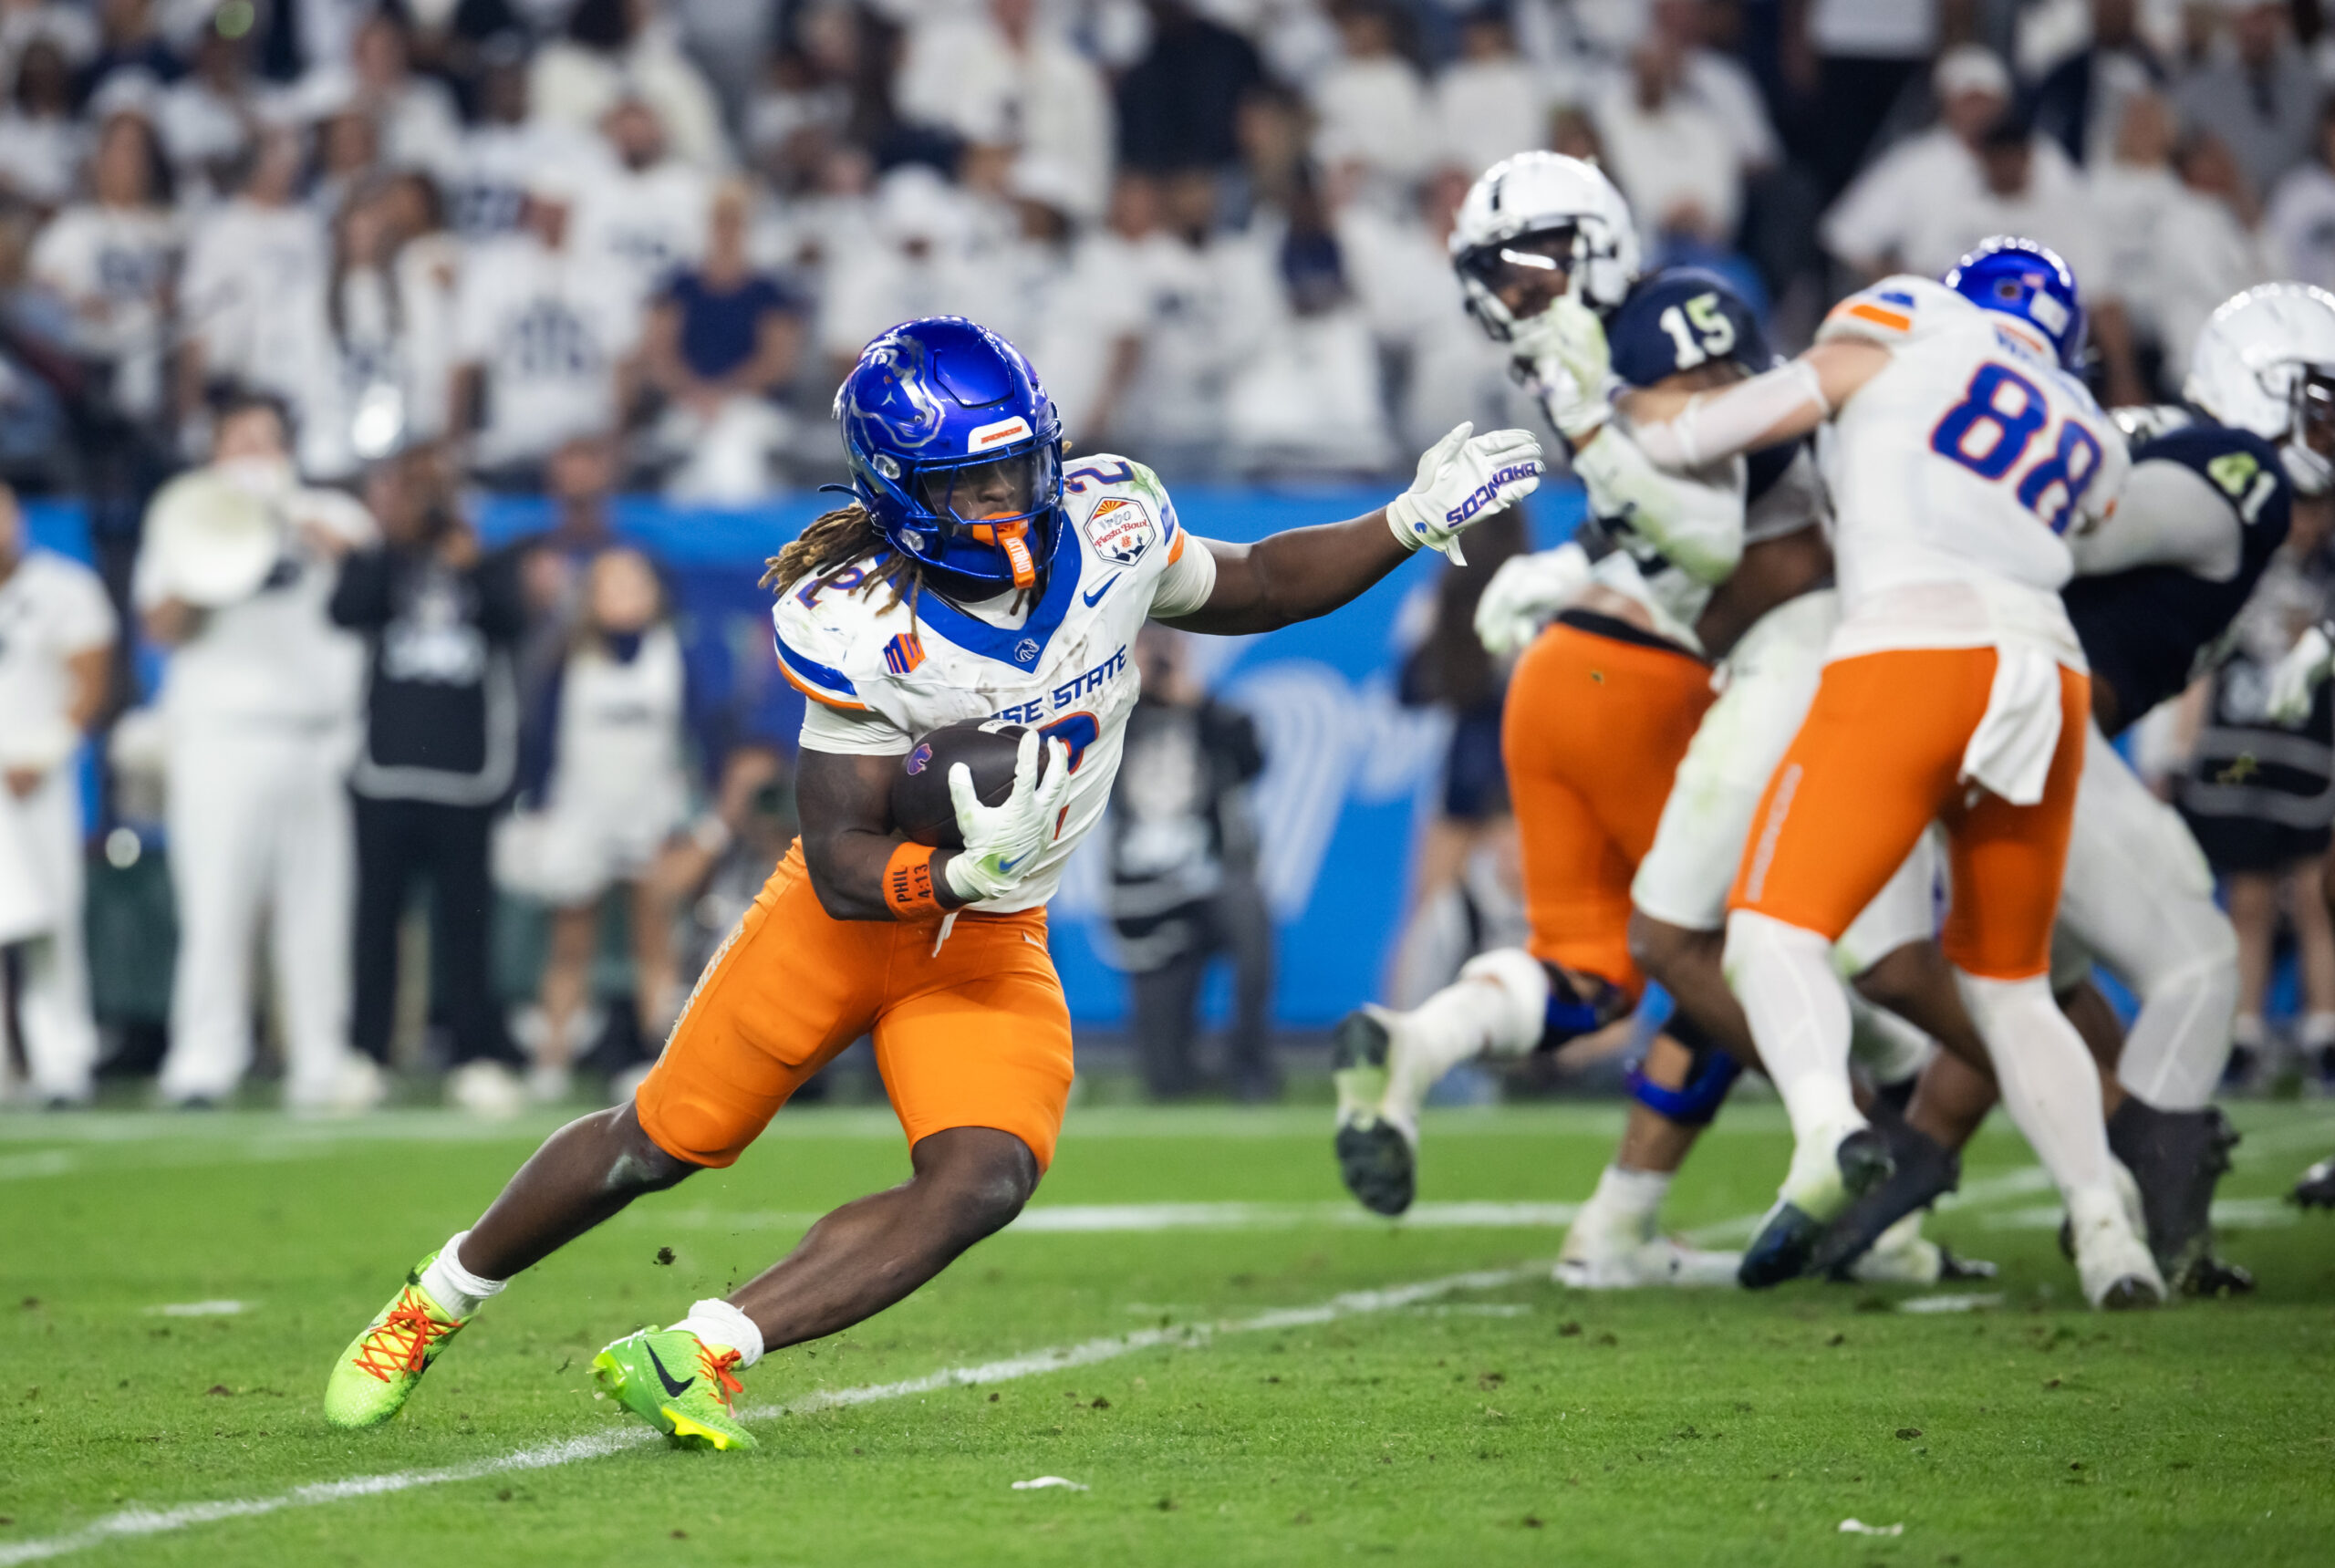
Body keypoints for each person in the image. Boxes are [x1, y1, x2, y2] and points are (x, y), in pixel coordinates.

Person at [321, 315, 1541, 1449]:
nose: (1004, 494)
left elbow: (1261, 583)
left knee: (984, 1174)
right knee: (657, 1141)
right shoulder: (857, 618)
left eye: (1014, 464)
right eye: (969, 479)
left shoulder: (1113, 529)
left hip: (993, 934)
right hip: (852, 921)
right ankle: (437, 1298)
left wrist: (1407, 521)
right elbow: (843, 857)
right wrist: (956, 864)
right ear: (902, 490)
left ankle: (700, 1348)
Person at [1330, 153, 1963, 1288]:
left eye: (1541, 267)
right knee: (1721, 948)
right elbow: (1679, 532)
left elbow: (1703, 515)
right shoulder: (1591, 359)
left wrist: (1570, 534)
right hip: (1700, 662)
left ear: (1602, 242)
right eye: (1503, 279)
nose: (1527, 296)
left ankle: (1444, 1060)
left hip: (1651, 662)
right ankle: (1861, 1148)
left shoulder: (1672, 315)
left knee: (1641, 954)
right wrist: (1578, 546)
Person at [1541, 237, 2163, 1307]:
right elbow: (2093, 522)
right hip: (2044, 668)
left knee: (1771, 931)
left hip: (1911, 651)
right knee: (2012, 987)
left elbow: (1723, 426)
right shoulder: (2083, 425)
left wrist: (1620, 410)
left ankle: (1829, 1134)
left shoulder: (1905, 321)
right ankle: (2112, 1231)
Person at [1818, 285, 2335, 1293]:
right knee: (2192, 964)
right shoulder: (2238, 471)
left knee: (2029, 973)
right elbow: (2068, 530)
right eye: (2319, 399)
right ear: (2263, 386)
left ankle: (1911, 1166)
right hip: (2033, 710)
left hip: (1980, 701)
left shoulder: (2176, 447)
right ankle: (2156, 1198)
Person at [135, 393, 381, 1110]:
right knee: (215, 905)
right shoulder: (187, 514)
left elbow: (373, 583)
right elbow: (162, 625)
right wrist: (218, 549)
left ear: (288, 451)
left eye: (263, 440)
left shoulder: (334, 516)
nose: (251, 453)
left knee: (318, 910)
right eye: (236, 441)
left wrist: (293, 523)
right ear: (215, 454)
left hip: (317, 734)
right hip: (221, 735)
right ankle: (204, 1060)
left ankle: (319, 1060)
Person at [329, 446, 531, 1116]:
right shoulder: (379, 560)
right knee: (376, 923)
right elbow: (344, 608)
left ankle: (475, 1055)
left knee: (467, 927)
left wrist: (467, 563)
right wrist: (393, 541)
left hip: (467, 777)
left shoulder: (487, 562)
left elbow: (515, 619)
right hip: (385, 772)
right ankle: (365, 1054)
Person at [494, 546, 691, 1105]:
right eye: (612, 585)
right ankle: (550, 1060)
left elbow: (699, 737)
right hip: (580, 814)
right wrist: (531, 813)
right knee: (570, 943)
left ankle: (664, 1061)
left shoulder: (673, 652)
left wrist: (695, 824)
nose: (625, 596)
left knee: (655, 943)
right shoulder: (567, 657)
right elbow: (537, 739)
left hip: (652, 815)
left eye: (635, 583)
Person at [1105, 627, 1272, 1101]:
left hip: (1213, 877)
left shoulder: (1216, 717)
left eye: (1169, 646)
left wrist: (1195, 702)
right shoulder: (1113, 720)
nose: (1159, 660)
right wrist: (1126, 688)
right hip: (1144, 889)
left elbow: (1253, 761)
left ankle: (1250, 1068)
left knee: (1252, 921)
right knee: (1164, 1076)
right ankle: (1184, 1071)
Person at [0, 481, 114, 1106]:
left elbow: (90, 681)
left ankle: (63, 1062)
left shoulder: (64, 587)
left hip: (35, 779)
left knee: (52, 921)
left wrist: (42, 754)